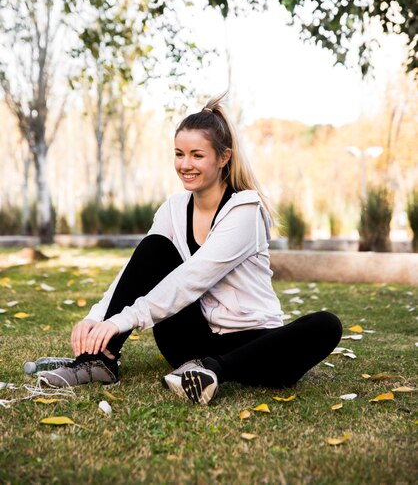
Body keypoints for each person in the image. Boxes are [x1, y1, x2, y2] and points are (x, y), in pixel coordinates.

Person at [40, 95, 343, 404]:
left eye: (197, 155)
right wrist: (99, 317)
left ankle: (212, 370)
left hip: (253, 345)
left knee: (325, 325)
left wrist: (122, 320)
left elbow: (192, 278)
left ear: (223, 158)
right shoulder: (173, 209)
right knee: (154, 247)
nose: (185, 165)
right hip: (191, 343)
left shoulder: (245, 211)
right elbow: (136, 271)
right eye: (179, 154)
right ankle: (99, 361)